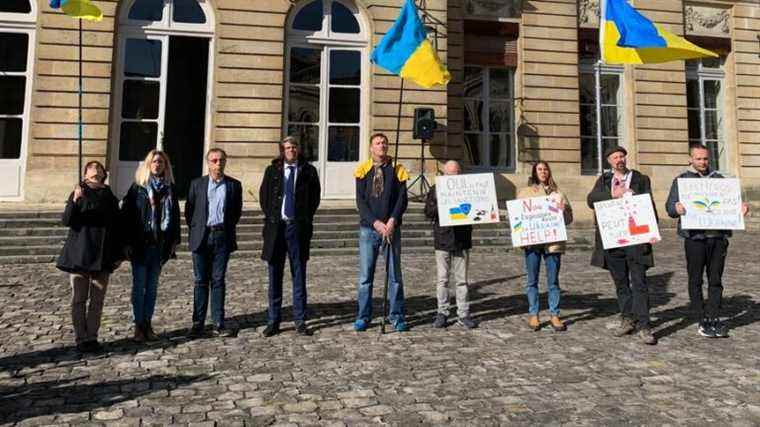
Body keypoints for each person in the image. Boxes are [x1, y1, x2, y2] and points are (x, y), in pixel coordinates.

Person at [665, 144, 750, 338]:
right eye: (698, 159)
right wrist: (675, 209)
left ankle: (713, 317)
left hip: (718, 238)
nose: (703, 162)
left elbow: (732, 204)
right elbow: (669, 207)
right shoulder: (681, 181)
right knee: (695, 279)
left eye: (705, 159)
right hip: (695, 238)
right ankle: (700, 318)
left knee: (715, 279)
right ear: (690, 160)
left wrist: (742, 209)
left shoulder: (720, 180)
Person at [587, 146, 659, 345]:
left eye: (622, 156)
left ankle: (644, 325)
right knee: (621, 283)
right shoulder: (604, 180)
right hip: (613, 240)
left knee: (640, 283)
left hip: (636, 240)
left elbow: (649, 204)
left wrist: (653, 230)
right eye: (615, 157)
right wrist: (613, 195)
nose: (619, 159)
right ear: (609, 161)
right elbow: (591, 200)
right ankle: (627, 318)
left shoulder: (640, 179)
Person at [56, 161, 123, 353]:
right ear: (85, 174)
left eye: (99, 168)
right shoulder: (79, 192)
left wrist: (118, 254)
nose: (96, 171)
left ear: (103, 174)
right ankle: (80, 337)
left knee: (97, 300)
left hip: (102, 255)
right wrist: (75, 201)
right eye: (91, 168)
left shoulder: (109, 195)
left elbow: (116, 226)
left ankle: (92, 336)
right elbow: (67, 220)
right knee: (79, 298)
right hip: (80, 253)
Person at [259, 136, 321, 337]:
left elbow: (315, 198)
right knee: (275, 276)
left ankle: (300, 319)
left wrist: (303, 218)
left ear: (298, 149)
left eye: (294, 147)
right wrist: (272, 217)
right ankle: (273, 320)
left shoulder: (309, 171)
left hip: (298, 229)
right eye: (287, 147)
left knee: (299, 275)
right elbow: (264, 196)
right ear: (282, 150)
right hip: (277, 228)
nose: (291, 150)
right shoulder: (272, 170)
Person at [121, 150, 181, 343]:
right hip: (140, 245)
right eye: (155, 161)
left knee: (152, 288)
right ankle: (138, 325)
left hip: (159, 246)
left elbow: (176, 218)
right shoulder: (138, 189)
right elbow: (127, 217)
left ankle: (148, 323)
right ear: (148, 165)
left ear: (166, 166)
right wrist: (127, 243)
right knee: (139, 287)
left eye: (161, 162)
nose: (158, 165)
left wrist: (173, 242)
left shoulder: (169, 188)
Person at [353, 133, 409, 332]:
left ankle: (396, 315)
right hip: (369, 230)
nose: (382, 145)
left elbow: (402, 200)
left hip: (392, 229)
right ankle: (363, 315)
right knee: (365, 277)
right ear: (371, 148)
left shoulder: (397, 170)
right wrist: (376, 223)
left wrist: (392, 221)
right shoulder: (363, 170)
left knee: (395, 276)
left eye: (384, 143)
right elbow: (361, 202)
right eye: (378, 143)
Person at [185, 148, 243, 339]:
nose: (218, 164)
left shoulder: (234, 185)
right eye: (214, 160)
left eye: (221, 160)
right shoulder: (197, 184)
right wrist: (198, 229)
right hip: (201, 237)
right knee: (200, 280)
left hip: (222, 237)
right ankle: (198, 323)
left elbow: (235, 213)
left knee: (218, 280)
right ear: (208, 163)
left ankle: (218, 322)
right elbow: (190, 212)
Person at [516, 161, 573, 332]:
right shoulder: (525, 192)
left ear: (549, 172)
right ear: (535, 172)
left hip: (553, 243)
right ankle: (534, 314)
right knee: (532, 280)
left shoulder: (558, 193)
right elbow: (518, 217)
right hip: (533, 242)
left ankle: (554, 314)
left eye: (545, 169)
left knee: (553, 281)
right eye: (539, 169)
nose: (543, 172)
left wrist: (563, 211)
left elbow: (569, 218)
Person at [424, 160, 477, 329]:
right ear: (444, 174)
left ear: (459, 174)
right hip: (442, 239)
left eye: (456, 173)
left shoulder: (468, 189)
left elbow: (478, 209)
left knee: (462, 281)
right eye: (449, 173)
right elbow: (428, 212)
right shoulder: (435, 190)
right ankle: (442, 313)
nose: (453, 176)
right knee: (442, 280)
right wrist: (443, 203)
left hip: (462, 239)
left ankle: (464, 314)